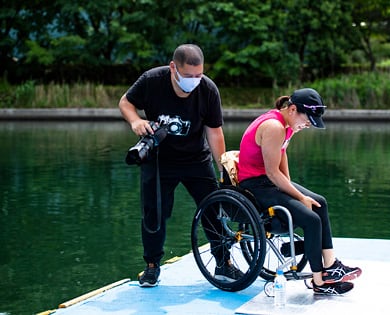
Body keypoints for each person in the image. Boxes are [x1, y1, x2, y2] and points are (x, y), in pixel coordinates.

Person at [119, 44, 236, 287]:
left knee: (213, 209)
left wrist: (225, 169)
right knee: (154, 214)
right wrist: (135, 121)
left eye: (198, 75)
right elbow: (125, 102)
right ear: (174, 68)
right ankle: (151, 266)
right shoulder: (152, 80)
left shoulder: (207, 89)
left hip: (196, 158)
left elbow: (214, 132)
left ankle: (223, 263)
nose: (194, 81)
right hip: (159, 159)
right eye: (188, 76)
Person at [238, 88, 362, 295]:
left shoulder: (287, 125)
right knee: (311, 219)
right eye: (307, 120)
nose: (307, 125)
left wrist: (291, 186)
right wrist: (298, 196)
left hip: (270, 180)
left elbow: (281, 157)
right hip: (255, 184)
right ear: (293, 109)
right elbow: (271, 171)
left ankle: (330, 266)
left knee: (319, 202)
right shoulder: (274, 126)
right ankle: (319, 283)